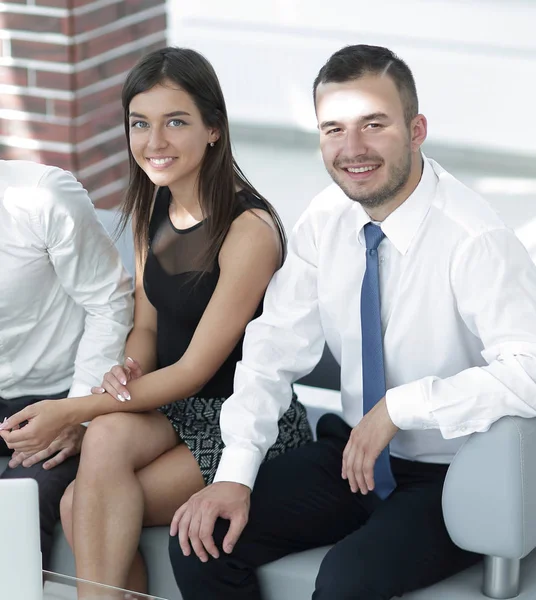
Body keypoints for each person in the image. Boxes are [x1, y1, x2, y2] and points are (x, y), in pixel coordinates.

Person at [167, 44, 536, 600]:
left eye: (374, 125)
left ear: (416, 130)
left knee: (346, 582)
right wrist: (234, 475)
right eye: (333, 129)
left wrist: (402, 406)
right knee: (202, 538)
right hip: (352, 456)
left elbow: (530, 370)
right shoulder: (326, 219)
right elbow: (271, 350)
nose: (352, 149)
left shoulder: (474, 239)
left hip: (449, 474)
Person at [0, 46, 313, 594]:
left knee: (83, 502)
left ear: (213, 128)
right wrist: (128, 369)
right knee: (108, 441)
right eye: (140, 124)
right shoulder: (152, 209)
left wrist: (74, 408)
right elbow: (145, 326)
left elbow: (195, 370)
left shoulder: (249, 230)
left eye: (175, 122)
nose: (155, 141)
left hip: (240, 416)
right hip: (170, 407)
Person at [0, 159, 133, 570]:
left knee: (11, 519)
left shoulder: (43, 196)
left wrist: (78, 415)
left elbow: (109, 303)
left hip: (59, 395)